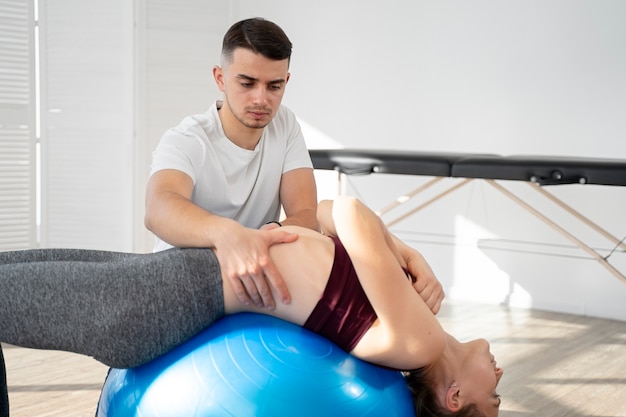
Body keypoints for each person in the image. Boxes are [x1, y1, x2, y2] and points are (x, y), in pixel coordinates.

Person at [0, 197, 499, 417]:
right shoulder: (410, 316)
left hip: (155, 302)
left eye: (493, 400)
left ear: (454, 398)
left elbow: (347, 211)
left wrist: (406, 253)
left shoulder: (420, 341)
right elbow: (324, 213)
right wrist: (394, 252)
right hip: (167, 280)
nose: (500, 376)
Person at [144, 17, 318, 311]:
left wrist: (267, 236)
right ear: (220, 78)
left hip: (254, 278)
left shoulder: (285, 125)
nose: (261, 99)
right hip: (183, 280)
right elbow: (158, 209)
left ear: (286, 82)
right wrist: (227, 234)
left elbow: (305, 214)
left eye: (274, 86)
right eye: (247, 83)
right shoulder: (187, 139)